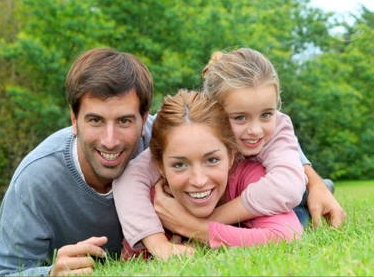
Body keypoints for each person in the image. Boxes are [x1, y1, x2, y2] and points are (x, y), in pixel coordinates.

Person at [113, 48, 346, 259]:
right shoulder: (188, 129)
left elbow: (287, 187)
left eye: (266, 114)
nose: (255, 130)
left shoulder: (278, 128)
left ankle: (315, 190)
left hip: (282, 193)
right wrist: (156, 242)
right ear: (214, 112)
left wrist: (199, 223)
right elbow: (131, 179)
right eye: (239, 118)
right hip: (249, 194)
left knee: (298, 208)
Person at [0, 47, 162, 276]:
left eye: (124, 121)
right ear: (74, 119)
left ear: (143, 118)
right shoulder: (36, 178)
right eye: (95, 120)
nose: (110, 141)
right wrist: (50, 275)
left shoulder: (170, 141)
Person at [122, 90, 303, 259]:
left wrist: (195, 229)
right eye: (179, 164)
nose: (199, 180)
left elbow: (288, 236)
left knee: (303, 210)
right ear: (159, 166)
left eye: (212, 160)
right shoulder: (150, 200)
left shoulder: (251, 177)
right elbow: (134, 261)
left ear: (231, 156)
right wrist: (159, 244)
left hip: (292, 192)